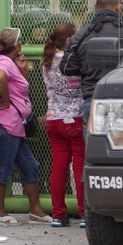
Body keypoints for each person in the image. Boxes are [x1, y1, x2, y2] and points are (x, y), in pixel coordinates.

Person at [0, 27, 51, 225]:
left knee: (31, 165)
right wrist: (5, 98)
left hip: (12, 126)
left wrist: (21, 70)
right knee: (3, 167)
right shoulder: (3, 62)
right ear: (17, 45)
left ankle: (36, 211)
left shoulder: (9, 62)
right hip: (5, 124)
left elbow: (20, 89)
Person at [61, 0, 123, 120]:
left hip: (94, 100)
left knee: (95, 140)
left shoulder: (80, 36)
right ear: (119, 8)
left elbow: (66, 68)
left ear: (96, 8)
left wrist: (88, 68)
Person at [42, 22, 85, 228]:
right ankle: (84, 213)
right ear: (69, 41)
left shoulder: (47, 60)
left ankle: (58, 214)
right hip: (76, 119)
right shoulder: (76, 60)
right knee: (79, 165)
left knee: (59, 165)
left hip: (54, 120)